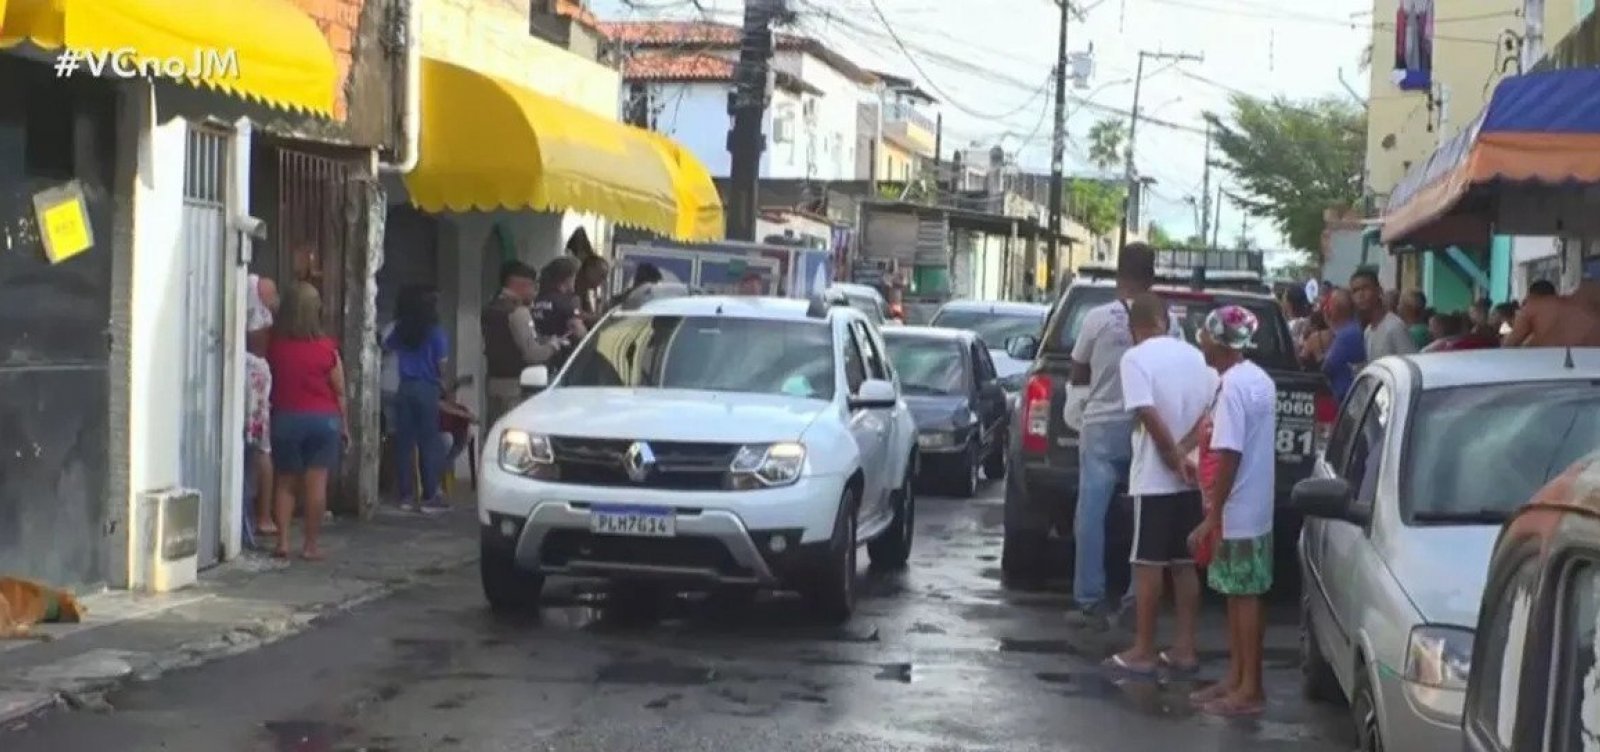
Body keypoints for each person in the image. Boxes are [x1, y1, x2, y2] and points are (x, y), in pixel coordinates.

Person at [1065, 242, 1181, 630]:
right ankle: (1137, 597)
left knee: (1091, 514)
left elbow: (1077, 369)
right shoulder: (1171, 323)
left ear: (1119, 275)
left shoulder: (1097, 318)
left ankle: (1089, 599)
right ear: (1152, 278)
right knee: (1143, 517)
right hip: (1148, 426)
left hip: (1099, 426)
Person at [1104, 293, 1215, 677]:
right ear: (1165, 322)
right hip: (1192, 476)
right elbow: (1206, 411)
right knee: (1184, 565)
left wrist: (1170, 456)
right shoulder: (1195, 357)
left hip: (1154, 478)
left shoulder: (1135, 358)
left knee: (1147, 564)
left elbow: (1145, 411)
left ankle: (1145, 648)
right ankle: (1185, 648)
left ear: (1136, 328)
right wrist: (1186, 452)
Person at [1187, 305, 1276, 717]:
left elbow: (1229, 454)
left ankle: (1249, 687)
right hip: (1254, 506)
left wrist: (1212, 516)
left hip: (1237, 509)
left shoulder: (1233, 389)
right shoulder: (1258, 379)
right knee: (1240, 595)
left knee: (1243, 598)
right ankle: (1238, 677)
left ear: (1220, 343)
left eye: (1205, 335)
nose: (1200, 341)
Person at [266, 282, 347, 561]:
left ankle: (283, 541)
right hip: (323, 420)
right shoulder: (328, 349)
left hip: (286, 418)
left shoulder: (275, 347)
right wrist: (345, 426)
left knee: (285, 482)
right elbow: (340, 391)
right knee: (316, 484)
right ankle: (310, 545)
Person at [385, 286, 451, 514]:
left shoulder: (401, 331)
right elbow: (441, 366)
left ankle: (405, 495)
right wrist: (445, 386)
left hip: (404, 388)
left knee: (404, 444)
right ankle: (430, 494)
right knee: (428, 442)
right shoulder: (436, 332)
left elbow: (385, 347)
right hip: (427, 388)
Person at [481, 261, 555, 427]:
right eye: (532, 287)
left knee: (495, 430)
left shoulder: (490, 308)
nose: (534, 293)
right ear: (520, 285)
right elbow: (532, 354)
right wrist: (553, 345)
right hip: (516, 387)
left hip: (493, 382)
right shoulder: (518, 312)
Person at [245, 275, 277, 541]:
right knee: (260, 445)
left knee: (260, 445)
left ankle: (264, 514)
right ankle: (262, 515)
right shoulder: (253, 290)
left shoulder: (254, 294)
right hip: (253, 371)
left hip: (252, 372)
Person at [531, 257, 587, 371]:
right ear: (566, 279)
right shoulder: (567, 302)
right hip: (562, 363)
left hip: (537, 361)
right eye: (574, 277)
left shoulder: (536, 300)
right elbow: (579, 331)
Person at [1348, 269, 1415, 362]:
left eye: (1365, 288)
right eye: (1355, 291)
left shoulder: (1394, 327)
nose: (1360, 295)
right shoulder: (1368, 332)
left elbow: (1411, 363)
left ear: (1378, 291)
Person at [1320, 289, 1364, 403]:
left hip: (1346, 398)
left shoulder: (1346, 335)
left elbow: (1327, 367)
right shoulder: (1353, 329)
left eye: (1330, 306)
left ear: (1336, 309)